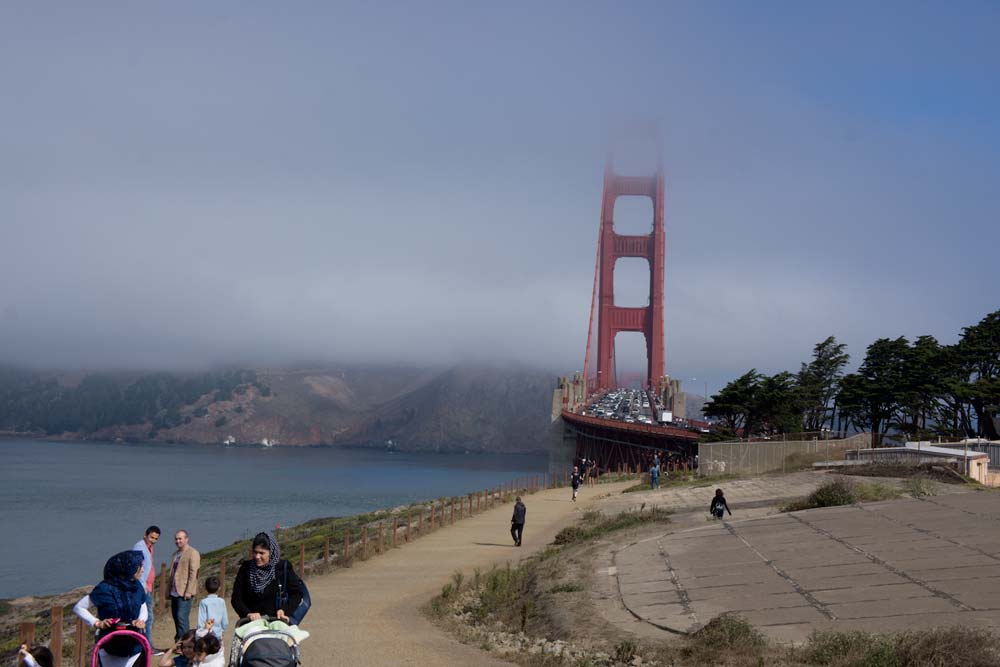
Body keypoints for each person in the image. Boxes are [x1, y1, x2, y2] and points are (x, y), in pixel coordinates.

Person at [73, 551, 149, 667]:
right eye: (139, 567)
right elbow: (79, 608)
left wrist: (141, 620)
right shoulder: (104, 589)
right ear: (128, 568)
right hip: (110, 647)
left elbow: (142, 605)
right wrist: (97, 623)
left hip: (135, 646)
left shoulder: (137, 586)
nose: (143, 570)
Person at [231, 532, 311, 625]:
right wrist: (248, 614)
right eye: (255, 552)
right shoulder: (245, 568)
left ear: (271, 552)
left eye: (261, 553)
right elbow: (236, 599)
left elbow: (296, 594)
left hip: (278, 621)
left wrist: (284, 611)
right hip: (251, 623)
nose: (257, 556)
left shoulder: (283, 567)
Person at [170, 530, 201, 641]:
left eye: (180, 538)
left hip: (185, 591)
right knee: (176, 617)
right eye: (176, 539)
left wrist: (189, 590)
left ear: (186, 539)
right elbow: (173, 573)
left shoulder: (193, 553)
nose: (178, 541)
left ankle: (186, 643)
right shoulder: (175, 554)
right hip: (174, 591)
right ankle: (179, 640)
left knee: (181, 617)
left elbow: (194, 573)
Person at [132, 525, 160, 645]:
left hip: (147, 587)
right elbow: (137, 568)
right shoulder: (140, 547)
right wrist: (142, 587)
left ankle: (146, 643)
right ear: (145, 535)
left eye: (155, 538)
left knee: (147, 616)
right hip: (142, 588)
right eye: (151, 537)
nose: (153, 540)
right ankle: (148, 645)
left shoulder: (149, 547)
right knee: (146, 617)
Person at [197, 576, 228, 640]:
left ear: (205, 588)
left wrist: (201, 631)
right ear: (219, 588)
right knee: (219, 649)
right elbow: (225, 621)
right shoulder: (221, 601)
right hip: (219, 634)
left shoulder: (203, 602)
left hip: (206, 634)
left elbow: (201, 621)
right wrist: (223, 630)